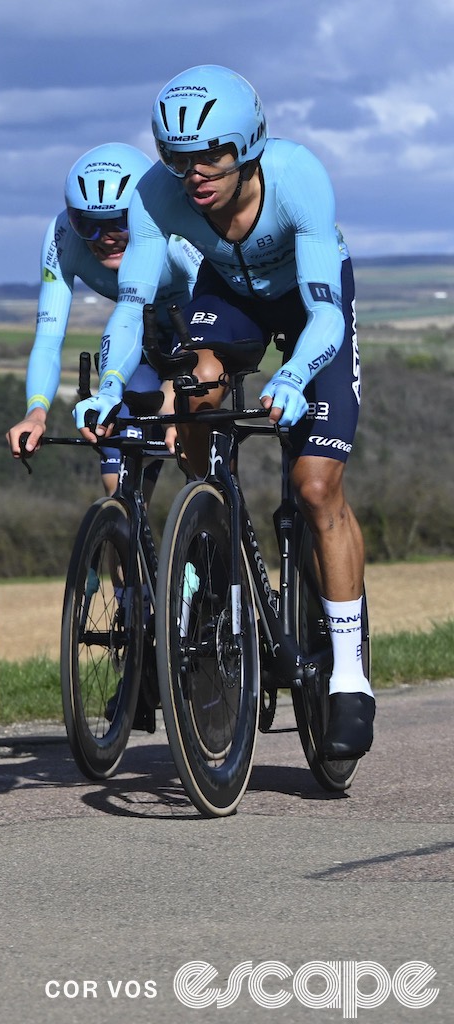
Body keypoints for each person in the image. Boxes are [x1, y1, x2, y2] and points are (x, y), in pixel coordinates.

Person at [74, 65, 372, 759]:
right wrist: (111, 381)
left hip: (309, 307)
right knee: (195, 381)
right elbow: (133, 305)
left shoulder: (298, 179)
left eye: (213, 153)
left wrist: (294, 375)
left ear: (249, 147)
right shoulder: (155, 196)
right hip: (229, 295)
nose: (195, 172)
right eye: (179, 157)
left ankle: (351, 678)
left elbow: (327, 315)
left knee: (316, 485)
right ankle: (213, 527)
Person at [6, 142, 202, 495]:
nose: (103, 240)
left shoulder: (176, 234)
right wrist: (36, 412)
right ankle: (131, 540)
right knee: (116, 459)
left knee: (198, 446)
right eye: (88, 225)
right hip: (141, 339)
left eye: (118, 224)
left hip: (196, 335)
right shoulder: (62, 237)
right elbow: (49, 340)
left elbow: (210, 317)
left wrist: (177, 399)